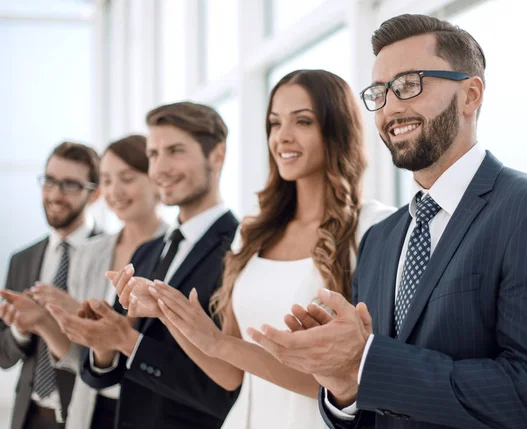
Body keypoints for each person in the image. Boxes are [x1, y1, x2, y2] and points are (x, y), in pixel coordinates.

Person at [249, 14, 527, 429]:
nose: (392, 107)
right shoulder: (381, 239)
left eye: (410, 84)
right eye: (380, 92)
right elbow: (374, 413)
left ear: (470, 95)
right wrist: (342, 383)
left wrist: (365, 360)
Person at [111, 69, 396, 428]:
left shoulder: (374, 227)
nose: (283, 137)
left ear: (336, 130)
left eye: (303, 121)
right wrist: (165, 309)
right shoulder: (252, 232)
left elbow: (347, 379)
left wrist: (218, 343)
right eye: (275, 124)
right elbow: (231, 374)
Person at [48, 102, 239, 429]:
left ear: (217, 155)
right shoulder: (148, 253)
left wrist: (127, 341)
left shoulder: (240, 249)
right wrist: (103, 343)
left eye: (175, 150)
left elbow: (229, 386)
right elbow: (108, 376)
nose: (160, 168)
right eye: (153, 154)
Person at [35, 135, 168, 429]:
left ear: (156, 178)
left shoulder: (176, 251)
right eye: (106, 180)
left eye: (127, 178)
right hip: (90, 411)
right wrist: (47, 322)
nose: (114, 191)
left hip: (149, 413)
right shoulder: (90, 254)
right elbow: (79, 360)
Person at [0, 142, 101, 429]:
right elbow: (3, 356)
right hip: (30, 416)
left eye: (69, 185)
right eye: (50, 181)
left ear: (95, 193)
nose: (55, 194)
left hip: (87, 418)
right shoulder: (22, 259)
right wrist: (21, 328)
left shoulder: (114, 257)